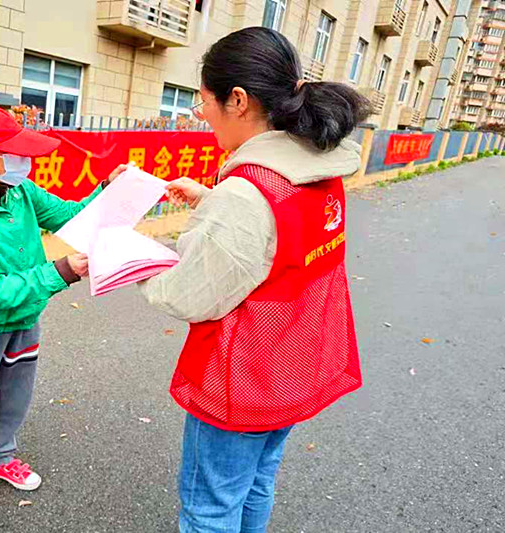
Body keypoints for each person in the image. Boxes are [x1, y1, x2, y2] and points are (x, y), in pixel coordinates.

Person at [139, 27, 370, 533]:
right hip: (294, 366)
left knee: (210, 507)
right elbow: (282, 242)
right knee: (257, 482)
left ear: (237, 100)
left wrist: (134, 259)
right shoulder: (315, 168)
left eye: (204, 101)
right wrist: (210, 200)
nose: (202, 113)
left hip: (243, 379)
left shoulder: (246, 195)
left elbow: (189, 294)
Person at [0, 103, 125, 530]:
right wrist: (62, 271)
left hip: (25, 316)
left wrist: (107, 189)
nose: (24, 161)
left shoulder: (17, 190)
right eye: (12, 152)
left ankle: (0, 457)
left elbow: (71, 217)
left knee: (13, 393)